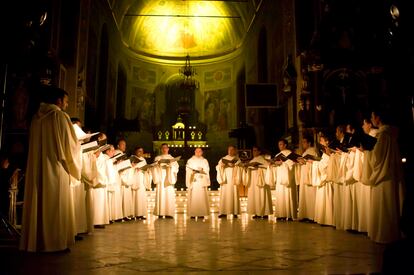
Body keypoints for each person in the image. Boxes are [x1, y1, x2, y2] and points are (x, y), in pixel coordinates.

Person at [20, 86, 82, 252]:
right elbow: (70, 146)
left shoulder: (35, 118)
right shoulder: (59, 116)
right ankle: (55, 243)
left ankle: (36, 241)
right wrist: (80, 146)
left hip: (37, 167)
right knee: (55, 205)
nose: (67, 105)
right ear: (58, 100)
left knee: (38, 202)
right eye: (66, 101)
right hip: (56, 168)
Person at [362, 109, 405, 243]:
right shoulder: (391, 133)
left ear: (378, 118)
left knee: (384, 207)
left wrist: (367, 150)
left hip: (382, 177)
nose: (371, 119)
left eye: (372, 116)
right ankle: (393, 233)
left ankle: (384, 234)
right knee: (392, 204)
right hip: (392, 174)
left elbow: (377, 158)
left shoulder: (382, 135)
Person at [266, 139, 297, 220]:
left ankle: (289, 214)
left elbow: (292, 165)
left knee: (287, 194)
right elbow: (276, 166)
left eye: (281, 144)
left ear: (285, 145)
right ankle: (281, 214)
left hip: (288, 178)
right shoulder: (278, 155)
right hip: (280, 177)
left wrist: (283, 163)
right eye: (279, 144)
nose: (279, 146)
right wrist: (273, 164)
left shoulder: (290, 153)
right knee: (280, 195)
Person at [243, 146, 272, 219]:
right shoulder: (252, 160)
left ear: (259, 152)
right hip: (253, 180)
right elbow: (248, 169)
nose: (254, 152)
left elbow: (267, 168)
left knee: (262, 195)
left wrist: (259, 167)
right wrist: (246, 167)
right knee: (255, 196)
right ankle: (256, 212)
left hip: (261, 180)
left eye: (255, 150)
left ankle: (265, 213)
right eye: (253, 150)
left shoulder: (262, 159)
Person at [151, 143, 179, 218]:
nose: (164, 149)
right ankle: (160, 212)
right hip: (160, 177)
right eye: (163, 148)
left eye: (165, 148)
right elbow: (153, 167)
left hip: (168, 177)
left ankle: (169, 213)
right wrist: (158, 164)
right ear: (161, 149)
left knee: (168, 194)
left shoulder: (172, 158)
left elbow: (176, 168)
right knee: (161, 194)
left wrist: (170, 166)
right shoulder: (157, 158)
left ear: (168, 149)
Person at [313, 133, 334, 226]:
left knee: (328, 200)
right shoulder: (323, 153)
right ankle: (323, 219)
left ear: (327, 142)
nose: (320, 143)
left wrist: (315, 164)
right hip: (323, 179)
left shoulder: (330, 151)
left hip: (327, 180)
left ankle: (329, 220)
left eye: (321, 141)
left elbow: (327, 165)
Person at [216, 145, 241, 218]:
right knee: (225, 195)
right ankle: (223, 212)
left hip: (233, 179)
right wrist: (222, 166)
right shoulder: (223, 159)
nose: (230, 151)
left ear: (235, 150)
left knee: (234, 194)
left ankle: (234, 212)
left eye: (232, 149)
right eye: (229, 149)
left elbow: (240, 167)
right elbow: (218, 167)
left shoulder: (237, 159)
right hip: (225, 179)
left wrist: (235, 165)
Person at [297, 136, 318, 221]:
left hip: (309, 175)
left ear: (309, 143)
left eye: (305, 142)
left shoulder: (312, 151)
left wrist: (305, 162)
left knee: (310, 195)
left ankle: (312, 216)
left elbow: (315, 162)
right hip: (304, 174)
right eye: (302, 142)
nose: (303, 144)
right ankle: (305, 214)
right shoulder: (305, 152)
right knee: (304, 195)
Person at [186, 147, 210, 219]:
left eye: (200, 151)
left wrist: (202, 170)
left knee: (201, 197)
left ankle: (201, 213)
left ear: (202, 152)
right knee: (193, 197)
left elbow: (207, 169)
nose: (198, 152)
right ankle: (193, 213)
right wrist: (192, 172)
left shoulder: (204, 161)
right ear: (194, 152)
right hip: (194, 180)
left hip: (201, 181)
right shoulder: (190, 160)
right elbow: (187, 169)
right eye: (197, 151)